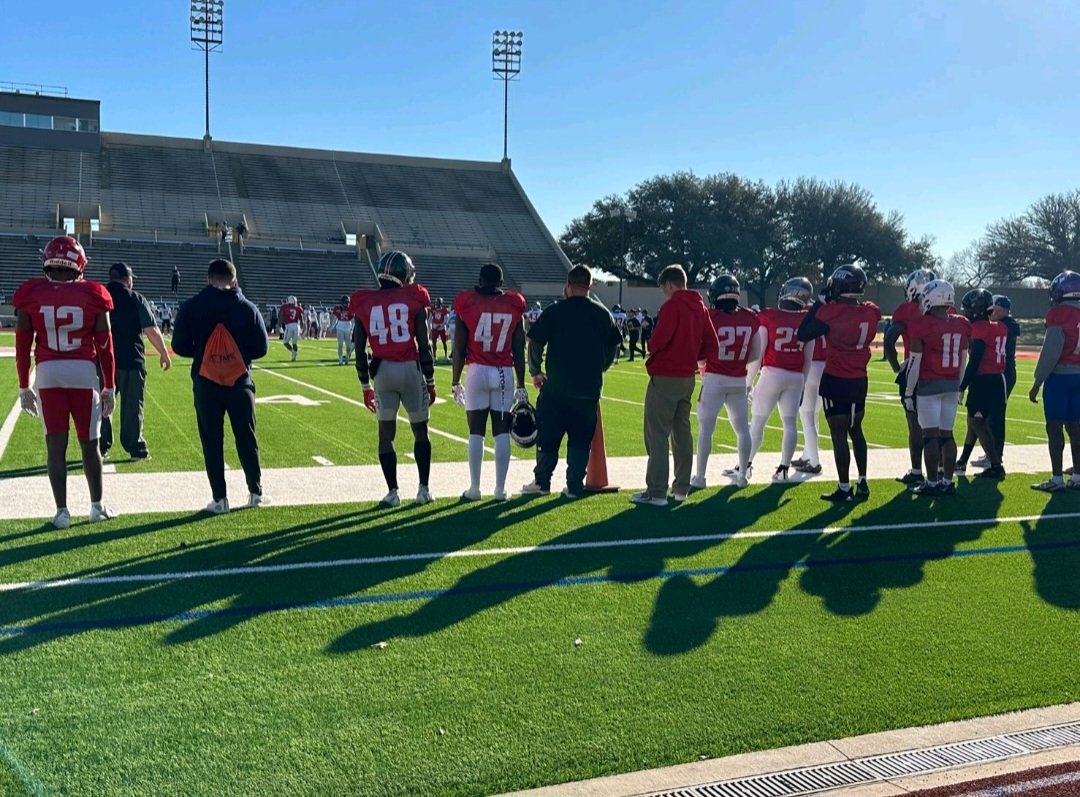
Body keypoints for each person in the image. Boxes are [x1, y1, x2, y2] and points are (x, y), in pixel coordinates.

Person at [13, 235, 119, 529]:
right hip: (82, 372)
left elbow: (23, 347)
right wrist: (108, 385)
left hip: (47, 373)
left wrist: (24, 386)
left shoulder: (31, 293)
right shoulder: (94, 293)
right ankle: (96, 507)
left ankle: (61, 512)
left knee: (55, 445)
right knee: (90, 444)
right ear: (79, 262)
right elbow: (105, 346)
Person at [171, 259, 270, 513]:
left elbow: (179, 345)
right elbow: (261, 348)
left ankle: (220, 499)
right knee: (247, 437)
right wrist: (238, 354)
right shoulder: (247, 308)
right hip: (240, 382)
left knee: (212, 441)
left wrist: (204, 353)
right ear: (233, 280)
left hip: (206, 382)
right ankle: (255, 492)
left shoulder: (192, 306)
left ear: (208, 279)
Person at [524, 265, 621, 497]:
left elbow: (535, 341)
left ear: (568, 284)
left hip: (557, 387)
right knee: (580, 441)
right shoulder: (602, 313)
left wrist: (536, 371)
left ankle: (542, 482)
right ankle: (575, 485)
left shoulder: (556, 311)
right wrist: (601, 367)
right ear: (590, 286)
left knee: (548, 437)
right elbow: (613, 346)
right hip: (588, 389)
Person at [350, 250, 436, 507]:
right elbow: (425, 343)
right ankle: (423, 489)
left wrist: (365, 384)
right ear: (403, 274)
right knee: (420, 431)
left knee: (385, 434)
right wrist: (430, 380)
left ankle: (392, 492)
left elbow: (358, 346)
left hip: (383, 372)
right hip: (410, 370)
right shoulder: (415, 297)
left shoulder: (364, 301)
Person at [633, 264, 719, 506]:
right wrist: (693, 355)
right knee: (682, 431)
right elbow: (712, 345)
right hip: (687, 376)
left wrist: (651, 343)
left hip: (666, 375)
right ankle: (681, 487)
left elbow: (659, 340)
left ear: (669, 284)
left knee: (657, 433)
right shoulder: (700, 307)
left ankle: (657, 490)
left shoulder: (672, 305)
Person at [798, 264, 881, 503]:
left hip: (836, 377)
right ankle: (863, 481)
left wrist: (820, 302)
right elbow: (868, 312)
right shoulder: (871, 312)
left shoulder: (831, 312)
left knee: (838, 434)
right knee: (857, 431)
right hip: (859, 378)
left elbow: (804, 333)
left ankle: (844, 488)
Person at [451, 263, 528, 500]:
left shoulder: (468, 302)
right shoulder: (514, 304)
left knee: (476, 432)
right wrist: (522, 384)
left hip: (477, 370)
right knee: (501, 433)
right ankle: (500, 490)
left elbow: (459, 347)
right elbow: (518, 348)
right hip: (504, 371)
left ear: (480, 279)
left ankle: (474, 489)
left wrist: (455, 381)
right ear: (501, 283)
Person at [740, 277, 813, 483]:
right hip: (796, 377)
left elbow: (758, 352)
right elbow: (808, 359)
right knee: (790, 424)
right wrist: (803, 385)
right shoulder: (807, 320)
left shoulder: (770, 315)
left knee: (758, 422)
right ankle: (783, 469)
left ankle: (746, 466)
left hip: (772, 373)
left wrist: (749, 380)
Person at [903, 280, 972, 495]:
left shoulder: (923, 324)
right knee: (947, 435)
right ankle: (948, 481)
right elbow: (963, 359)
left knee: (930, 436)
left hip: (929, 385)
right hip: (952, 384)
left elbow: (914, 363)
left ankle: (932, 483)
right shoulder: (961, 323)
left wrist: (908, 391)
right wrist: (960, 386)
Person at [692, 273, 760, 489]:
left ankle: (701, 477)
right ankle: (742, 477)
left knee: (706, 430)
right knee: (742, 429)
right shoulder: (750, 318)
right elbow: (755, 354)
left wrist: (703, 366)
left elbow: (700, 354)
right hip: (738, 379)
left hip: (714, 378)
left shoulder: (709, 316)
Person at [99, 262, 173, 461]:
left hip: (104, 361)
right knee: (132, 407)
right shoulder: (136, 298)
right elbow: (151, 330)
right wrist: (164, 353)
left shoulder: (100, 295)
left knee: (102, 405)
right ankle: (135, 448)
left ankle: (100, 446)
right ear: (128, 279)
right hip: (132, 360)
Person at [884, 269, 937, 486]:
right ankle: (941, 473)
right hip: (942, 373)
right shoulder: (948, 310)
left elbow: (889, 339)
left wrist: (897, 367)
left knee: (915, 424)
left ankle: (917, 471)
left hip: (914, 370)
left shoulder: (906, 310)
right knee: (939, 427)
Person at [1029, 271, 1080, 491]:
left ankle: (1057, 479)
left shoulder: (1059, 314)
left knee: (1055, 428)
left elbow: (1051, 352)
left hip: (1060, 377)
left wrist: (1037, 382)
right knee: (1077, 429)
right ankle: (1078, 477)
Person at [954, 288, 1007, 478]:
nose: (966, 312)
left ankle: (995, 464)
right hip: (997, 380)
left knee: (977, 422)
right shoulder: (1000, 327)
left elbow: (975, 360)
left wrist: (962, 386)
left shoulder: (979, 329)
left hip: (983, 379)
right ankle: (962, 461)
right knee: (974, 421)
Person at [793, 303, 826, 475]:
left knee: (807, 415)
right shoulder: (826, 315)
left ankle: (814, 461)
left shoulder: (805, 315)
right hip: (826, 366)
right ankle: (808, 454)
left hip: (812, 366)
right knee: (813, 414)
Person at [332, 295, 354, 364]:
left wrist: (352, 328)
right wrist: (332, 326)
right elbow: (335, 318)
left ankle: (347, 356)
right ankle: (340, 360)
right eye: (345, 302)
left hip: (348, 327)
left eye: (347, 302)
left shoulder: (351, 308)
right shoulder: (337, 308)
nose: (346, 304)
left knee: (348, 346)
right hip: (340, 327)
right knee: (340, 344)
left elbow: (353, 319)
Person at [279, 295, 302, 361]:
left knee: (285, 342)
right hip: (297, 326)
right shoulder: (298, 308)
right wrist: (302, 328)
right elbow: (302, 319)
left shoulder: (284, 307)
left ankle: (293, 352)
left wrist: (280, 326)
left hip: (289, 326)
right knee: (295, 343)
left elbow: (280, 316)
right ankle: (294, 357)